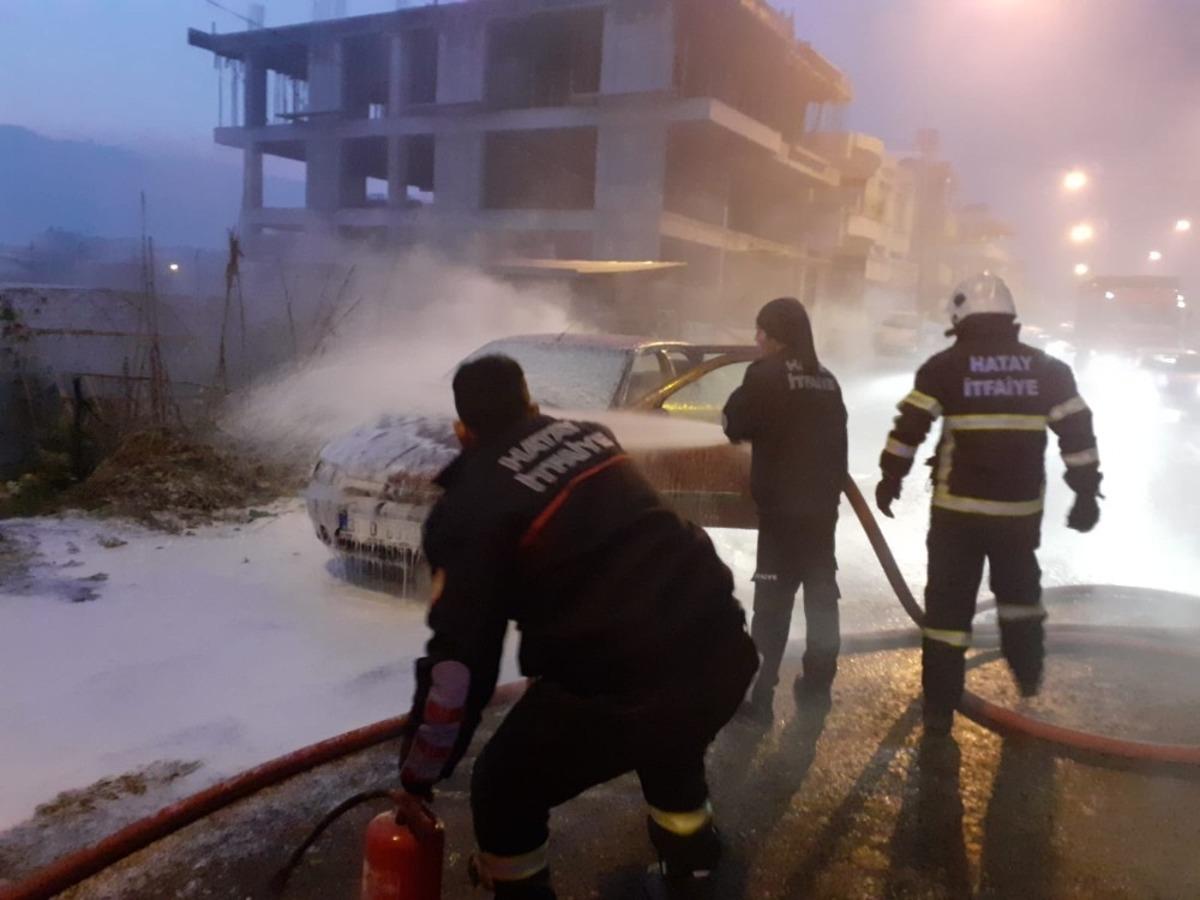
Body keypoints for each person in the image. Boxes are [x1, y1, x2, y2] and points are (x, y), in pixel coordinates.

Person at [398, 355, 758, 900]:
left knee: (502, 787)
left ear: (462, 431)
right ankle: (696, 862)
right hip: (723, 653)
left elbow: (458, 668)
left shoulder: (468, 509)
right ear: (533, 407)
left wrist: (420, 772)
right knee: (671, 734)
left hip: (624, 686)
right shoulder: (592, 439)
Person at [875, 273, 1102, 735]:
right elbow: (1077, 434)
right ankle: (1029, 678)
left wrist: (890, 478)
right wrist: (1084, 491)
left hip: (957, 514)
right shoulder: (1048, 370)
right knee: (1020, 596)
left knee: (947, 611)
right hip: (1018, 515)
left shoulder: (944, 367)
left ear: (960, 317)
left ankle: (939, 706)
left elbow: (908, 431)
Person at [722, 297, 849, 719]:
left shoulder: (765, 376)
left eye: (761, 331)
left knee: (772, 605)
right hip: (821, 514)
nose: (756, 339)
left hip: (780, 518)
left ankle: (759, 697)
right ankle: (818, 682)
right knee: (820, 596)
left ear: (776, 335)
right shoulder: (827, 379)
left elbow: (733, 425)